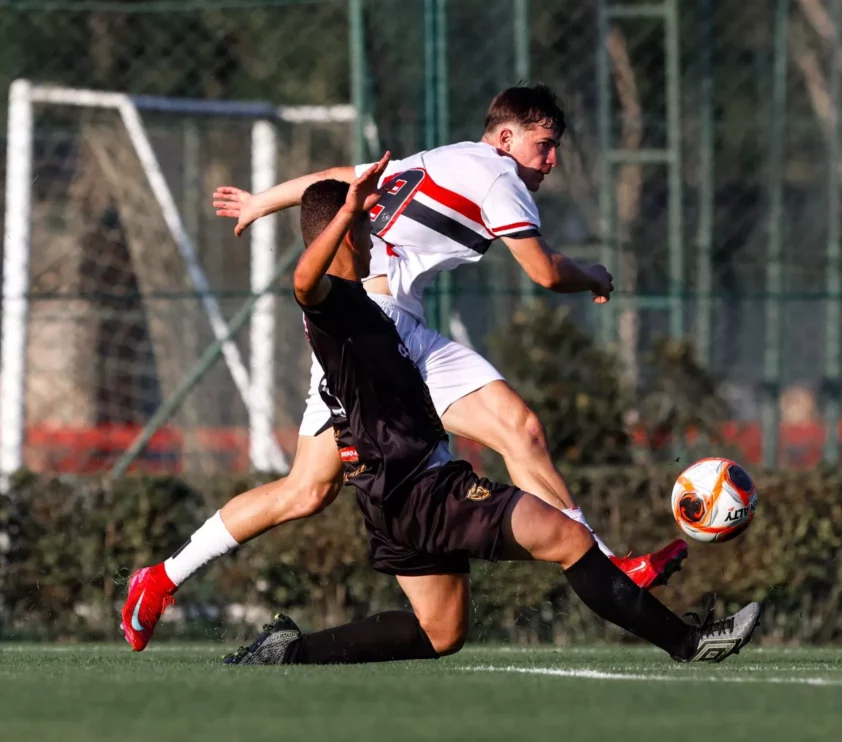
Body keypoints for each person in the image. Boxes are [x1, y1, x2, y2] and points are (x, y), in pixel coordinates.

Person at [120, 83, 684, 653]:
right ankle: (611, 563)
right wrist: (591, 274)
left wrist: (263, 200)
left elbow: (345, 175)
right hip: (382, 328)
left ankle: (161, 578)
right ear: (507, 137)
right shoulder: (497, 176)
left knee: (306, 491)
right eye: (545, 144)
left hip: (367, 324)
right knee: (518, 430)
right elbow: (542, 271)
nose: (552, 160)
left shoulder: (447, 158)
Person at [221, 168, 760, 666]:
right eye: (366, 230)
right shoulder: (331, 304)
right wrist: (345, 213)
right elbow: (301, 280)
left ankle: (287, 655)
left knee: (440, 632)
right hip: (421, 491)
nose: (373, 241)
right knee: (570, 539)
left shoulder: (361, 303)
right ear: (343, 235)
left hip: (393, 496)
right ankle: (690, 643)